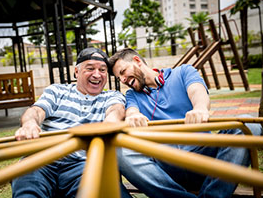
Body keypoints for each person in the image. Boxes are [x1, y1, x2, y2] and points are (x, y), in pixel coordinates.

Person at [108, 48, 262, 198]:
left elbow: (197, 91)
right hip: (165, 168)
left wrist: (200, 108)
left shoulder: (183, 72)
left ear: (137, 61)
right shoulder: (132, 95)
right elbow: (132, 111)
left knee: (250, 126)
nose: (122, 80)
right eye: (118, 77)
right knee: (119, 152)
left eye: (122, 72)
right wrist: (133, 115)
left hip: (205, 159)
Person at [12, 47, 131, 198]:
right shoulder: (57, 91)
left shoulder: (111, 96)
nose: (97, 74)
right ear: (76, 72)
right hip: (40, 159)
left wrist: (110, 123)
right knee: (27, 193)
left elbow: (116, 111)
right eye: (90, 68)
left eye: (102, 70)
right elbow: (36, 111)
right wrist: (30, 124)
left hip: (82, 164)